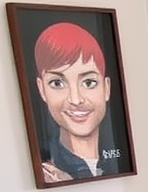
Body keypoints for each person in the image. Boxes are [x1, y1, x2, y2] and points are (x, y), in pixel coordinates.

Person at [33, 22, 117, 182]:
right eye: (58, 83)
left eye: (89, 82)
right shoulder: (48, 172)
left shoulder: (114, 162)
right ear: (42, 89)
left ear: (106, 88)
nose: (75, 99)